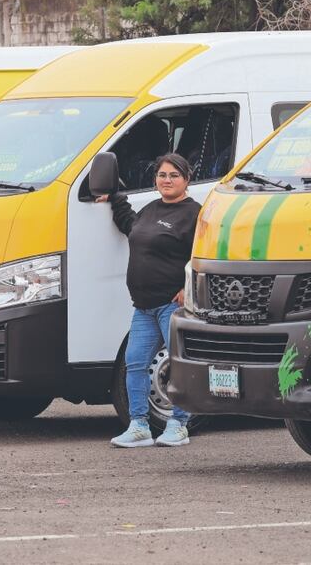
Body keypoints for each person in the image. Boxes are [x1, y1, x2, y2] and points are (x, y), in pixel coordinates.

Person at [96, 153, 201, 447]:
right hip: (143, 307)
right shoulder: (151, 210)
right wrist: (114, 197)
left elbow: (205, 253)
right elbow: (130, 226)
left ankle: (179, 425)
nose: (167, 180)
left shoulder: (195, 214)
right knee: (135, 364)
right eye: (162, 175)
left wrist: (189, 288)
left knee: (180, 365)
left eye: (174, 175)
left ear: (187, 180)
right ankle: (139, 426)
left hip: (172, 306)